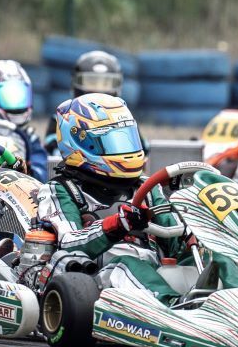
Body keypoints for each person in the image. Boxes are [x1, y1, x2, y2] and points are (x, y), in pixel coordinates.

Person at [36, 93, 189, 304]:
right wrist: (116, 225)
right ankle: (174, 308)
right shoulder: (61, 189)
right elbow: (69, 243)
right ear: (81, 143)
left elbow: (175, 242)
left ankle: (229, 301)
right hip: (94, 279)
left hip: (154, 270)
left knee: (212, 255)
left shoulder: (146, 187)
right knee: (127, 264)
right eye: (111, 142)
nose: (123, 150)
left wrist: (194, 234)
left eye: (126, 139)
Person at [43, 50, 124, 153]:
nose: (98, 90)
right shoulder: (62, 119)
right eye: (91, 82)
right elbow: (52, 148)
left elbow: (141, 150)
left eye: (105, 83)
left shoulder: (124, 119)